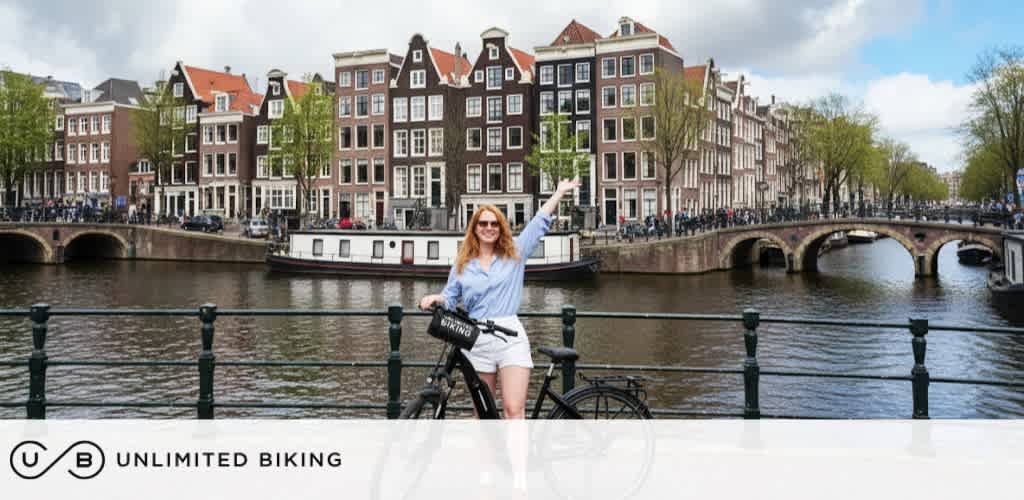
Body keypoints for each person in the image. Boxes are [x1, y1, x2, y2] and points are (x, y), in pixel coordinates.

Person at [418, 176, 581, 419]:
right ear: (474, 228)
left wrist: (558, 193)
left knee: (513, 410)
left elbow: (537, 224)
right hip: (476, 339)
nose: (489, 227)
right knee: (482, 413)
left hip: (509, 338)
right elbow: (450, 297)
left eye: (494, 223)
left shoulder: (514, 253)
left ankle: (517, 457)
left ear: (500, 227)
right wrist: (435, 298)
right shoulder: (463, 264)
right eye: (483, 223)